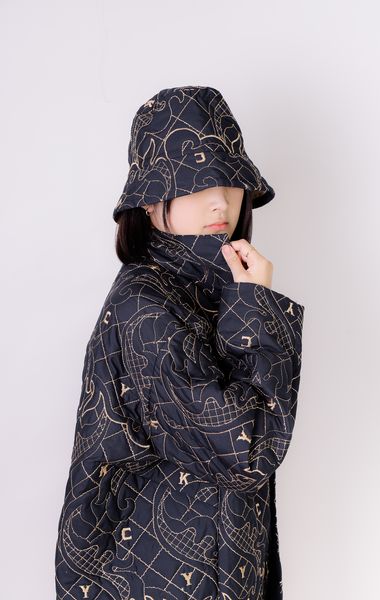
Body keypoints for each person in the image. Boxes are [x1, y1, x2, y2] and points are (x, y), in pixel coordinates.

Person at [55, 85, 305, 600]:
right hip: (156, 579)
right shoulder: (146, 308)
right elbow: (246, 449)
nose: (219, 200)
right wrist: (255, 304)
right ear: (149, 203)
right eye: (193, 184)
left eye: (229, 180)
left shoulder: (205, 290)